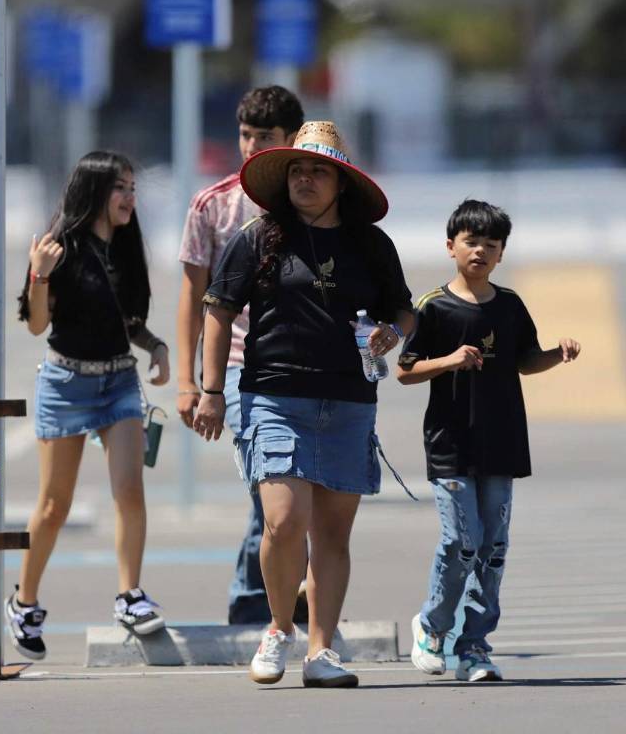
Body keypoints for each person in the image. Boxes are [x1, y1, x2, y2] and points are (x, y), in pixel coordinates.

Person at [193, 121, 414, 689]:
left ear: (341, 182)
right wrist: (211, 392)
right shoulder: (260, 236)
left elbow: (403, 312)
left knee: (332, 536)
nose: (305, 178)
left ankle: (322, 651)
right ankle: (278, 627)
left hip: (348, 401)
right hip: (273, 396)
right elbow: (217, 311)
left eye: (318, 170)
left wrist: (391, 331)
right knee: (283, 521)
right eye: (296, 169)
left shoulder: (372, 244)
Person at [398, 199, 580, 682]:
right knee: (461, 542)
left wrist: (556, 355)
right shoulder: (433, 306)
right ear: (450, 246)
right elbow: (404, 370)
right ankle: (433, 627)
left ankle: (475, 646)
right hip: (451, 443)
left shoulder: (511, 305)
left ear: (501, 254)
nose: (480, 251)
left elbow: (524, 360)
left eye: (491, 245)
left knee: (493, 547)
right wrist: (450, 361)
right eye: (471, 241)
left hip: (501, 443)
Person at [7, 151, 171, 660]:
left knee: (130, 492)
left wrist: (157, 347)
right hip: (65, 385)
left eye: (132, 187)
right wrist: (38, 276)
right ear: (96, 192)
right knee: (54, 506)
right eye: (120, 188)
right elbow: (37, 325)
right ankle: (24, 602)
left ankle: (129, 595)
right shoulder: (61, 248)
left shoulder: (125, 249)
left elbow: (127, 323)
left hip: (118, 382)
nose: (129, 197)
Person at [176, 85, 308, 625]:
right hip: (234, 364)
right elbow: (191, 297)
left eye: (266, 138)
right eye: (245, 135)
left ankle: (273, 594)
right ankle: (259, 599)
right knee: (273, 485)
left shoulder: (314, 198)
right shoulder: (214, 205)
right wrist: (189, 382)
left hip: (305, 362)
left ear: (292, 139)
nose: (252, 147)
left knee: (298, 492)